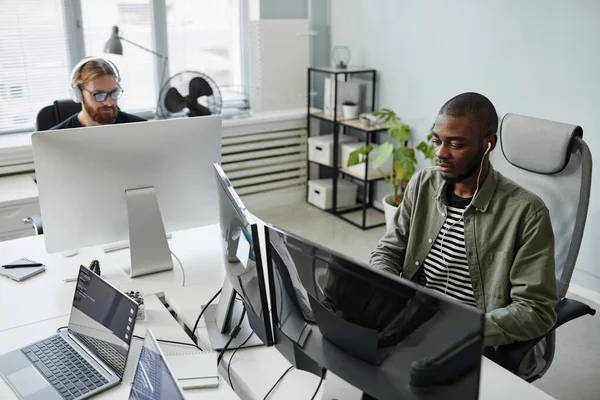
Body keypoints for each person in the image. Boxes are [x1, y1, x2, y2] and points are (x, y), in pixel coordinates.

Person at [370, 92, 558, 377]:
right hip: (411, 323)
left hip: (471, 338)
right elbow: (389, 251)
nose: (440, 153)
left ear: (487, 145)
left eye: (456, 144)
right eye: (437, 141)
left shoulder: (527, 213)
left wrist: (461, 330)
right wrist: (386, 294)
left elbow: (535, 310)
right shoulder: (423, 183)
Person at [50, 57, 146, 129]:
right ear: (78, 94)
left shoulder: (142, 128)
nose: (109, 102)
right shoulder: (53, 139)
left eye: (114, 93)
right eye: (99, 95)